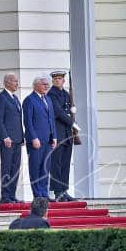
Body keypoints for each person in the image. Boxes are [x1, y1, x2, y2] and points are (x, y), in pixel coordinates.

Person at [47, 71, 80, 202]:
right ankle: (58, 192)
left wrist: (73, 116)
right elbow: (59, 112)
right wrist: (72, 123)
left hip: (67, 133)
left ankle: (64, 191)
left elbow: (68, 111)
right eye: (55, 79)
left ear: (63, 81)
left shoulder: (66, 94)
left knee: (65, 163)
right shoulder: (52, 94)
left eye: (59, 79)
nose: (57, 81)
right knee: (57, 164)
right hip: (58, 133)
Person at [23, 76, 57, 200]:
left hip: (48, 140)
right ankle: (37, 194)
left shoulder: (48, 99)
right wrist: (33, 138)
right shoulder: (29, 100)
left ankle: (44, 193)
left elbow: (51, 119)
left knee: (45, 167)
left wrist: (54, 137)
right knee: (35, 167)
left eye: (47, 84)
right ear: (36, 85)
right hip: (36, 141)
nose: (47, 86)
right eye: (44, 84)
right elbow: (28, 121)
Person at [0, 73, 24, 203]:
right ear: (7, 82)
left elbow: (18, 120)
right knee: (7, 167)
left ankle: (12, 195)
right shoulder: (1, 98)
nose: (17, 84)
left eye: (17, 81)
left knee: (15, 168)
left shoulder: (15, 98)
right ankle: (5, 196)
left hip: (17, 139)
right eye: (15, 81)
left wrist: (22, 138)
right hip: (7, 140)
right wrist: (5, 136)